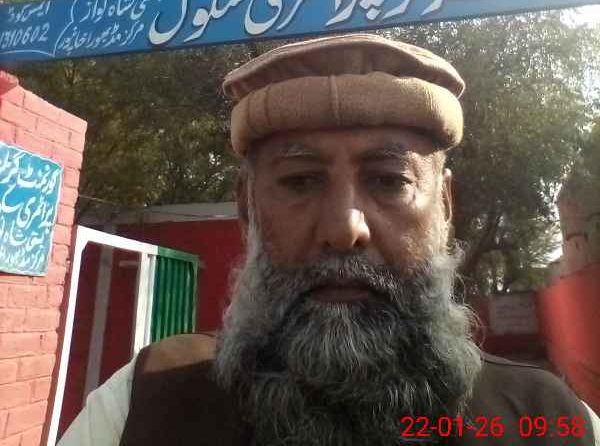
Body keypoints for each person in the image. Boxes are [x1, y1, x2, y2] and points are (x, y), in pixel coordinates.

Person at [59, 33, 600, 446]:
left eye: (389, 181)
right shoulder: (142, 408)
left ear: (445, 207)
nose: (345, 229)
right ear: (248, 208)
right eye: (300, 182)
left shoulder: (550, 422)